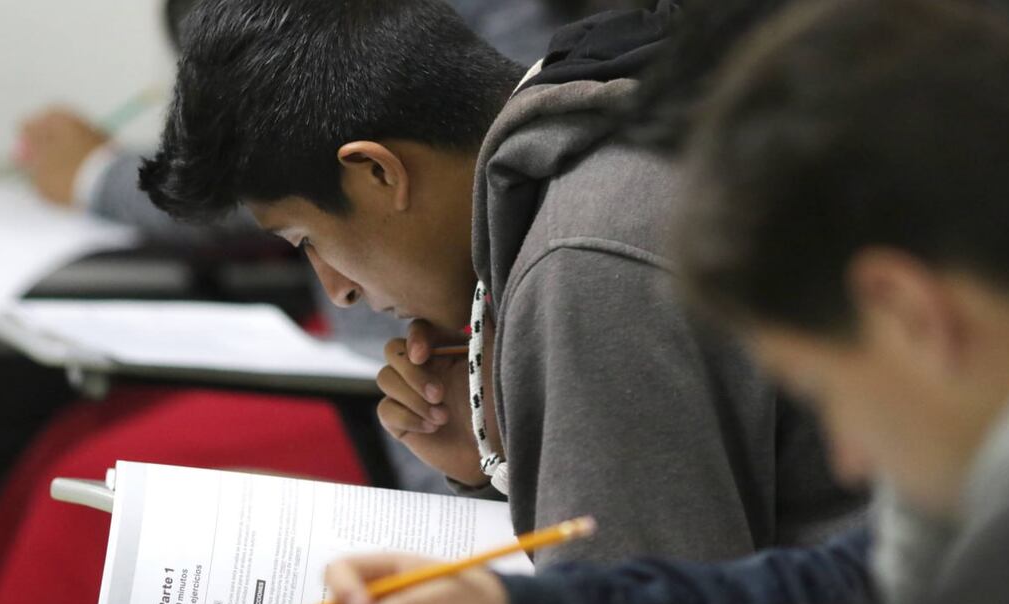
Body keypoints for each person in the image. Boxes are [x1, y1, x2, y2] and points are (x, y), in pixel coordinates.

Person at [298, 0, 1009, 604]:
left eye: (825, 392)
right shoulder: (993, 465)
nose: (846, 459)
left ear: (909, 312)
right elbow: (822, 595)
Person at [140, 0, 859, 569]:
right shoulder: (600, 107)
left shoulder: (581, 255)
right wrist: (495, 459)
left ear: (379, 173)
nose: (339, 291)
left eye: (309, 243)